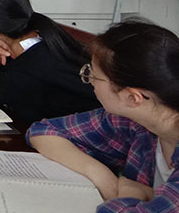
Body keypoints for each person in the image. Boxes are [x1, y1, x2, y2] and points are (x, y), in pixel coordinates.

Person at [28, 20, 179, 211]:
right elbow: (43, 131)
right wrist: (101, 176)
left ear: (132, 97)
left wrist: (130, 193)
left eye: (94, 75)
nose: (89, 80)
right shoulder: (137, 121)